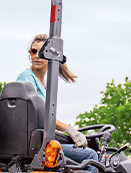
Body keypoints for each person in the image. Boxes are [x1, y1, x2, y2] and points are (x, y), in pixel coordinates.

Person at [15, 34, 99, 166]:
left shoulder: (44, 85)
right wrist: (68, 129)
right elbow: (38, 116)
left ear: (49, 56)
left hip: (41, 140)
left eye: (41, 52)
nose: (36, 56)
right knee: (91, 156)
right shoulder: (26, 78)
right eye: (33, 51)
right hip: (35, 145)